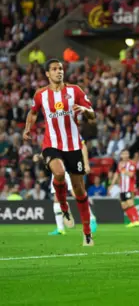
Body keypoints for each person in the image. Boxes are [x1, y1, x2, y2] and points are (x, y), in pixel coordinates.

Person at [23, 59, 96, 246]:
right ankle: (64, 207)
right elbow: (32, 113)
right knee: (59, 172)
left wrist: (85, 110)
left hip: (73, 146)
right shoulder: (41, 95)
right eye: (54, 69)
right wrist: (27, 128)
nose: (59, 72)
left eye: (61, 69)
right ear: (47, 74)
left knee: (79, 190)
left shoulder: (75, 91)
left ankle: (87, 232)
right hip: (51, 144)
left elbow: (92, 115)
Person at [49, 138, 98, 235]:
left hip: (70, 167)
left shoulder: (71, 130)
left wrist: (86, 164)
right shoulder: (52, 133)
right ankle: (60, 228)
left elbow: (83, 146)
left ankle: (92, 219)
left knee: (77, 194)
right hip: (57, 168)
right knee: (56, 198)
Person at [116, 150, 139, 228]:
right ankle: (132, 221)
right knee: (124, 206)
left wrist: (123, 169)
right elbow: (117, 174)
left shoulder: (131, 163)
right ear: (121, 155)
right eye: (124, 154)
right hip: (122, 188)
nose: (125, 155)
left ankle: (137, 220)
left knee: (130, 203)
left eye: (127, 154)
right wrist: (112, 184)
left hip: (129, 188)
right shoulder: (119, 164)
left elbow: (131, 174)